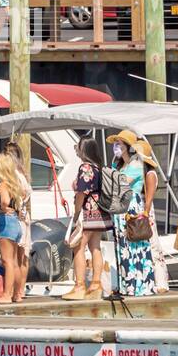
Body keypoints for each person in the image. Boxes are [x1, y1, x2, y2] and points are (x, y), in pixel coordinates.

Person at [107, 129, 155, 297]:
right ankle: (126, 284)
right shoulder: (120, 164)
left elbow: (120, 184)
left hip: (130, 205)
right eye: (115, 144)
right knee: (122, 245)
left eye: (119, 143)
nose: (116, 147)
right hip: (120, 206)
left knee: (134, 243)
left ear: (128, 146)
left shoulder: (136, 164)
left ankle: (138, 284)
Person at [65, 137, 109, 300]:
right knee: (95, 247)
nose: (76, 150)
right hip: (100, 212)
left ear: (83, 150)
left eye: (77, 147)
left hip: (87, 211)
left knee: (78, 247)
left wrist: (76, 213)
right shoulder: (99, 167)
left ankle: (80, 286)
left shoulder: (85, 167)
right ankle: (96, 284)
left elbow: (81, 194)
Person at [0, 150, 30, 305]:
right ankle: (16, 294)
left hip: (6, 220)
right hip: (15, 221)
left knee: (7, 261)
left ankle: (6, 295)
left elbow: (5, 201)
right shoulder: (15, 182)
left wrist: (2, 207)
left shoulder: (2, 183)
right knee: (14, 262)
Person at [135, 138, 170, 294]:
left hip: (146, 211)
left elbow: (148, 198)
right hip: (141, 210)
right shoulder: (141, 172)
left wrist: (145, 213)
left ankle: (162, 282)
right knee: (146, 246)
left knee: (154, 246)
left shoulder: (150, 173)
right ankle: (152, 281)